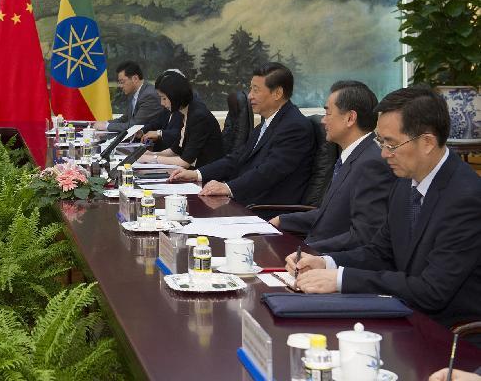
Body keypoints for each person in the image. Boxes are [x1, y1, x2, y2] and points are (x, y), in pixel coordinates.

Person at [288, 86, 481, 329]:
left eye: (391, 144)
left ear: (428, 142)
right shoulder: (405, 183)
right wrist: (326, 262)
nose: (382, 154)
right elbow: (380, 252)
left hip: (448, 336)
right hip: (403, 316)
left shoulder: (465, 198)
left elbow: (432, 291)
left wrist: (341, 279)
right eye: (381, 141)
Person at [270, 80, 396, 252]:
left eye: (328, 113)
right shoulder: (354, 156)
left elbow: (364, 236)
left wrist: (304, 251)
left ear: (350, 118)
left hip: (329, 263)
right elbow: (332, 215)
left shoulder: (371, 164)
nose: (323, 120)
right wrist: (282, 220)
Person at [169, 62, 315, 206]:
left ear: (277, 93)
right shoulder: (267, 123)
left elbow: (268, 172)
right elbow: (237, 158)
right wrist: (197, 174)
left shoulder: (295, 127)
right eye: (250, 89)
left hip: (266, 209)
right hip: (246, 200)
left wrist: (227, 188)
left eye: (256, 90)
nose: (250, 96)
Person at [139, 71, 223, 168]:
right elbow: (175, 150)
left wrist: (151, 159)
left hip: (208, 175)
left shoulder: (198, 116)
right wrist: (148, 154)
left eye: (164, 98)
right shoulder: (183, 111)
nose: (162, 103)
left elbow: (185, 161)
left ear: (175, 96)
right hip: (192, 170)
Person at [94, 61, 163, 133]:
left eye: (122, 82)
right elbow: (125, 119)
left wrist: (106, 126)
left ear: (135, 78)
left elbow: (135, 125)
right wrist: (105, 123)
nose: (120, 86)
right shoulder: (133, 93)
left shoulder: (149, 95)